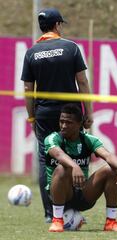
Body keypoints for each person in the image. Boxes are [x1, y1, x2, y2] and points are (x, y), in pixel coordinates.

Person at [21, 7, 93, 223]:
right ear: (57, 25)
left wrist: (32, 117)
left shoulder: (31, 52)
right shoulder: (70, 47)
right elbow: (82, 82)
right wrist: (88, 111)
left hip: (44, 112)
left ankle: (51, 214)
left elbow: (27, 89)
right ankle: (70, 210)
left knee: (47, 159)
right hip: (70, 112)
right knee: (72, 155)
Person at [44, 103, 117, 232]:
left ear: (79, 124)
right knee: (62, 169)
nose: (63, 126)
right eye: (61, 122)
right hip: (60, 195)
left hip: (83, 192)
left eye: (68, 123)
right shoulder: (52, 138)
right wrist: (74, 166)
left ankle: (111, 222)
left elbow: (107, 155)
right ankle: (57, 221)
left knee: (111, 169)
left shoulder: (88, 140)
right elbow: (58, 154)